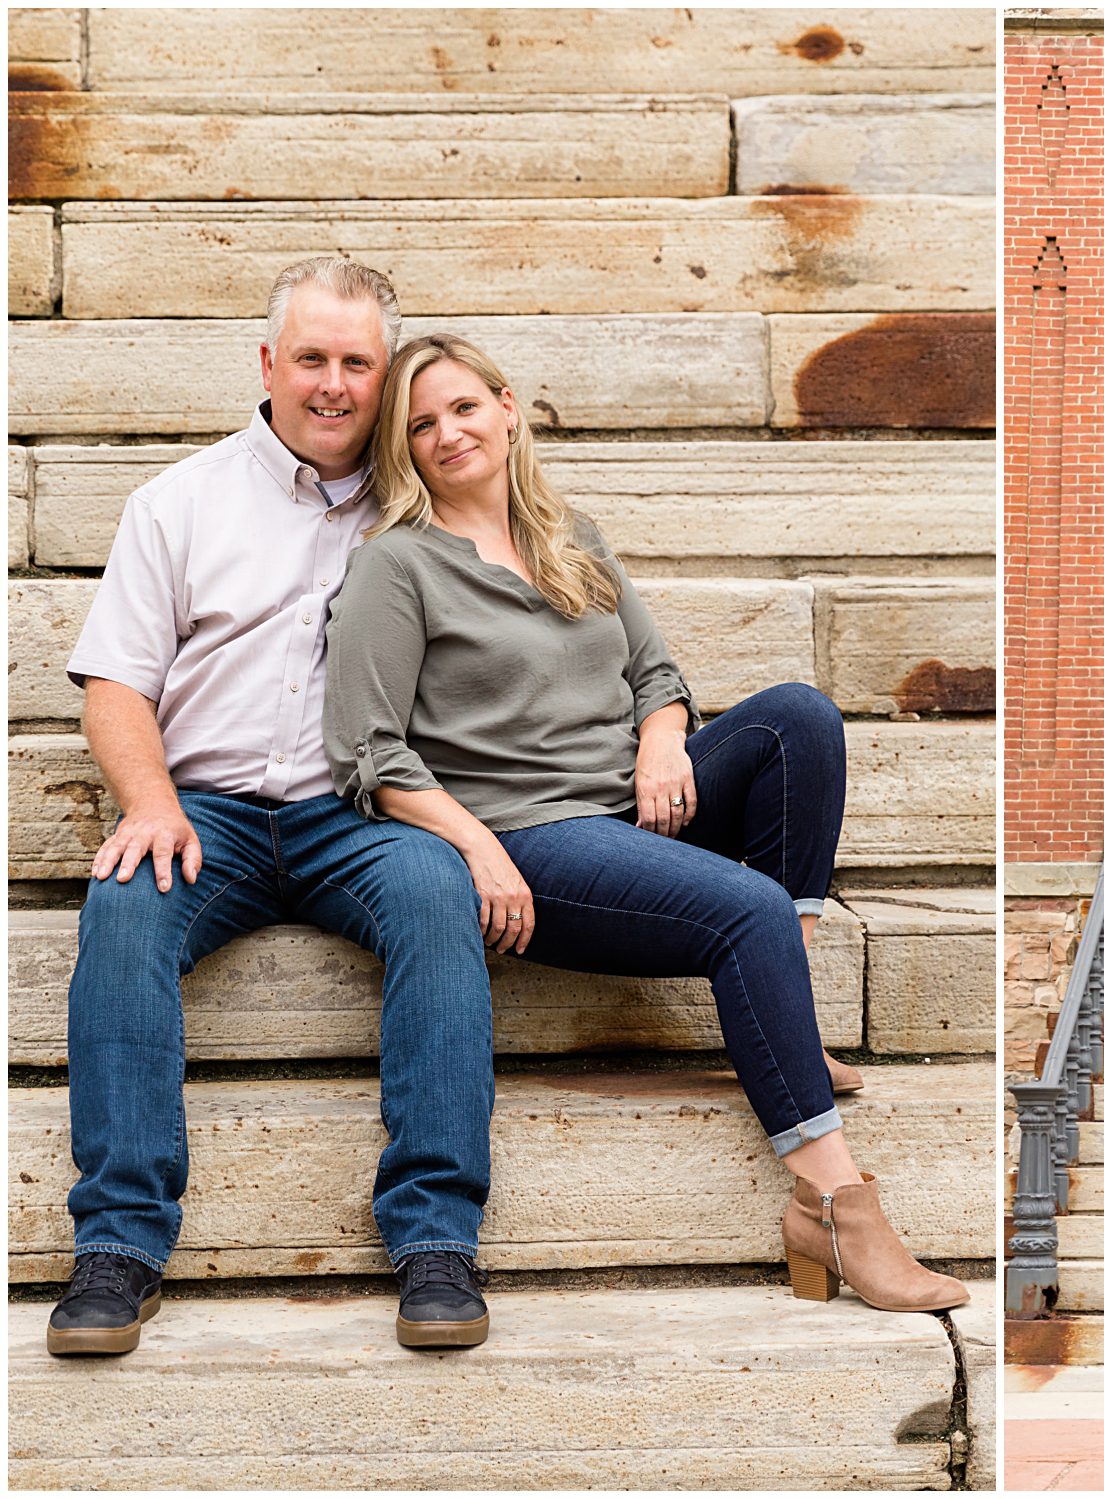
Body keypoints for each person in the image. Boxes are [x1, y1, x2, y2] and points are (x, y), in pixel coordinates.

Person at [322, 332, 966, 1316]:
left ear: (506, 405)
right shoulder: (396, 567)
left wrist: (664, 737)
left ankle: (786, 996)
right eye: (419, 424)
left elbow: (657, 677)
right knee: (742, 906)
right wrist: (478, 843)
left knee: (799, 714)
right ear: (402, 451)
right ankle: (834, 1203)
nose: (447, 433)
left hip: (635, 804)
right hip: (536, 838)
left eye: (461, 407)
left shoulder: (568, 534)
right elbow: (366, 754)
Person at [46, 258, 504, 1356]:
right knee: (120, 905)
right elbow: (115, 682)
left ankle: (437, 1236)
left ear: (384, 373)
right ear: (268, 363)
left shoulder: (423, 511)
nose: (334, 384)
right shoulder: (179, 501)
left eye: (357, 361)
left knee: (438, 893)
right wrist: (149, 802)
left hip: (359, 815)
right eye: (312, 358)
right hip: (208, 812)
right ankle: (119, 1243)